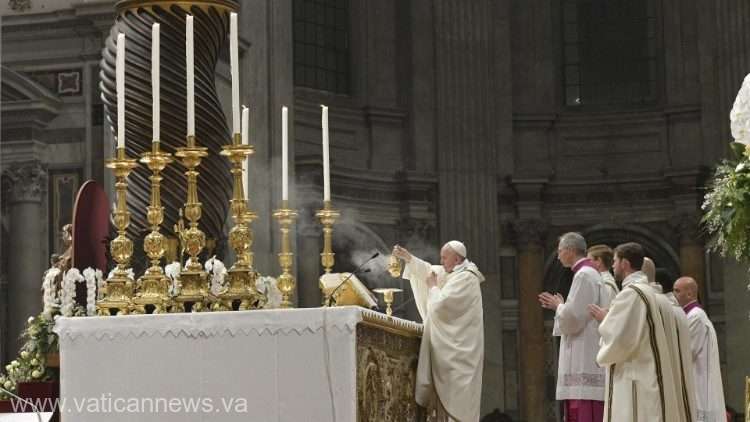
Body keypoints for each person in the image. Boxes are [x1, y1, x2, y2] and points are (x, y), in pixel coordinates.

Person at [588, 242, 692, 422]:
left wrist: (606, 320)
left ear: (625, 264)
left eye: (614, 261)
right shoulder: (650, 292)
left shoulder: (632, 294)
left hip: (635, 376)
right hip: (647, 371)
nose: (612, 265)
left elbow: (619, 339)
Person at [393, 241, 484, 422]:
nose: (441, 261)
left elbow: (441, 306)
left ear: (457, 259)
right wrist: (408, 258)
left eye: (444, 257)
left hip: (460, 355)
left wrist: (433, 287)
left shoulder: (466, 278)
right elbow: (428, 271)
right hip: (451, 352)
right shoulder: (453, 273)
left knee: (456, 400)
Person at [538, 232, 604, 422]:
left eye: (560, 251)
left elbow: (574, 319)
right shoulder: (590, 273)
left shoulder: (584, 275)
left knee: (583, 412)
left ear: (570, 250)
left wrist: (558, 306)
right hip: (588, 348)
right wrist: (564, 306)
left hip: (584, 353)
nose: (558, 256)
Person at [674, 276, 727, 422]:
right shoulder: (690, 315)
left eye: (677, 291)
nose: (674, 295)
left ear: (690, 294)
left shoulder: (695, 317)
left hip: (699, 383)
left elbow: (685, 352)